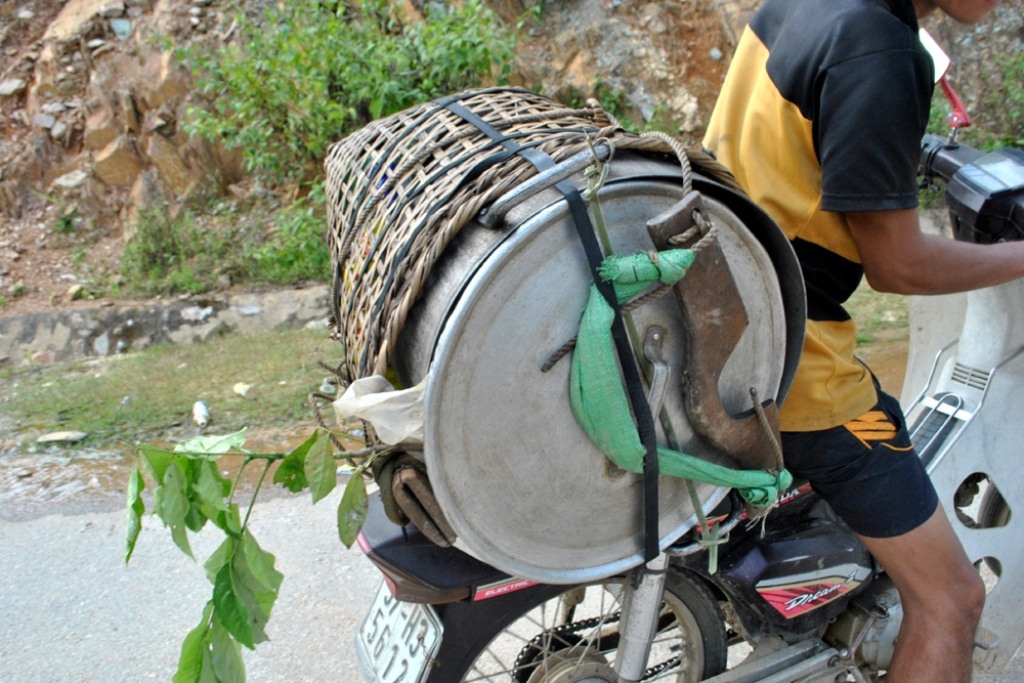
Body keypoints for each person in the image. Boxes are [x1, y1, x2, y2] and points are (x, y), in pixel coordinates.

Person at [702, 0, 1019, 680]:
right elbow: (898, 265)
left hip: (721, 311)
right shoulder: (882, 49)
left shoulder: (810, 7)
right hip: (794, 361)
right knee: (952, 599)